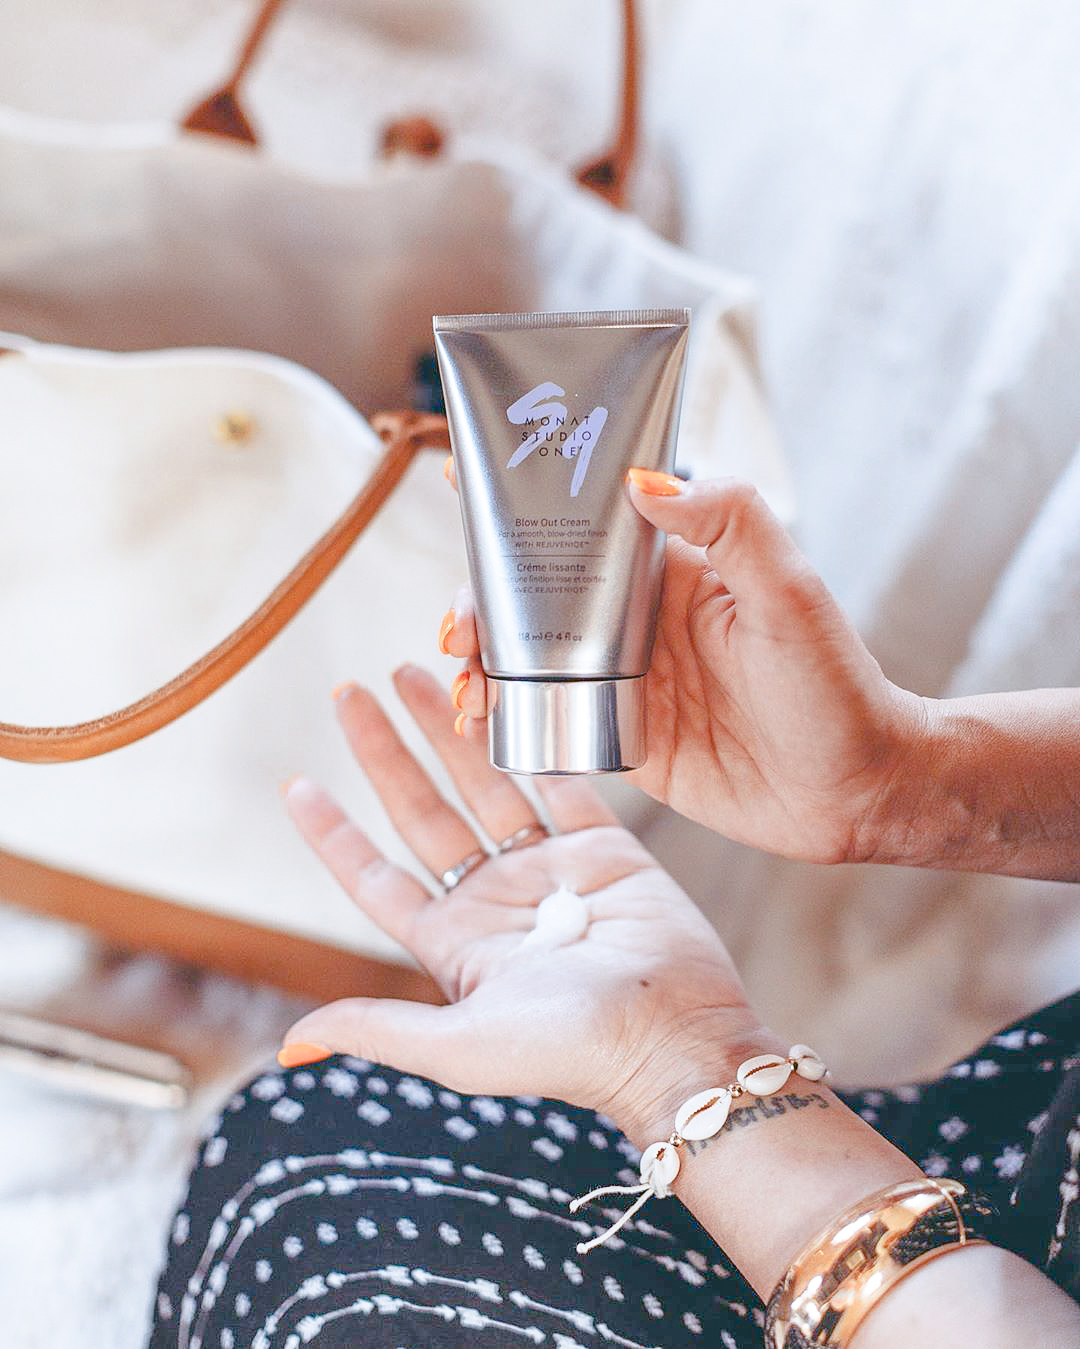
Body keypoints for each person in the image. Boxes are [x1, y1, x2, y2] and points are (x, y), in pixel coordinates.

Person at [149, 470, 1080, 1348]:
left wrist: (686, 1068)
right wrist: (896, 777)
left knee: (333, 1280)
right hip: (1028, 1147)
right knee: (316, 1142)